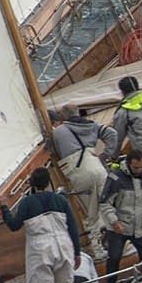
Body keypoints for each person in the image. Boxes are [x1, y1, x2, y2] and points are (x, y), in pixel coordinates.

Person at [0, 167, 80, 283]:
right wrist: (77, 253)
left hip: (40, 249)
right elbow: (73, 228)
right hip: (64, 246)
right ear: (48, 182)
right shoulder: (60, 200)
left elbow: (14, 225)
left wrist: (5, 209)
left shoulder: (27, 203)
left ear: (32, 184)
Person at [51, 106, 114, 250]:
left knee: (92, 215)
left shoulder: (59, 132)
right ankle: (122, 244)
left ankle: (98, 250)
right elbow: (112, 134)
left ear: (62, 117)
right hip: (98, 167)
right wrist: (107, 154)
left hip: (80, 172)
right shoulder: (91, 125)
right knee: (109, 207)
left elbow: (56, 150)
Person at [100, 151, 142, 277]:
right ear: (128, 164)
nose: (139, 170)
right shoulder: (116, 178)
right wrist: (114, 221)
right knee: (114, 258)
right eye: (136, 168)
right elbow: (105, 203)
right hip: (119, 226)